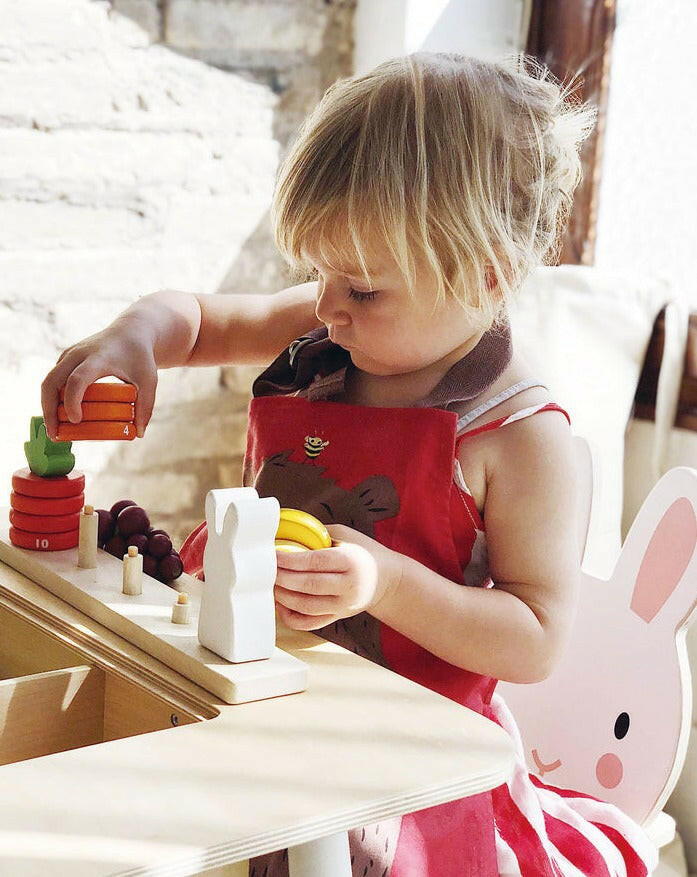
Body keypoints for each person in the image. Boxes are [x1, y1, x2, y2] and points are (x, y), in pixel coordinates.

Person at [41, 52, 658, 876]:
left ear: (487, 273)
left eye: (362, 289)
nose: (327, 305)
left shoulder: (518, 436)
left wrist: (386, 582)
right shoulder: (334, 327)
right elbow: (195, 320)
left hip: (400, 764)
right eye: (318, 272)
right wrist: (134, 338)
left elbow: (536, 638)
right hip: (261, 702)